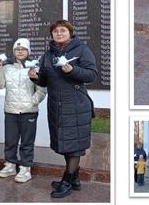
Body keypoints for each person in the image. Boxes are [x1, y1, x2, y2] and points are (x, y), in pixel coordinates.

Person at [28, 20, 98, 198]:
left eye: (63, 30)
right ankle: (74, 179)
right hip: (57, 105)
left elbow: (91, 74)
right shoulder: (48, 55)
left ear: (70, 33)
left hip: (76, 104)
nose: (59, 33)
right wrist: (36, 77)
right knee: (66, 144)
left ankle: (67, 181)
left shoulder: (81, 49)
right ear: (51, 35)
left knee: (74, 146)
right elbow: (45, 80)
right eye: (55, 31)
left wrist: (72, 70)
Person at [0, 37, 46, 183]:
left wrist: (32, 102)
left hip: (29, 111)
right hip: (11, 110)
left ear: (28, 51)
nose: (20, 51)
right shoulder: (7, 67)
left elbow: (42, 90)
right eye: (17, 49)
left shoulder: (35, 67)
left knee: (27, 142)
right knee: (10, 140)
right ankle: (10, 165)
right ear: (14, 51)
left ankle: (25, 168)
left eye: (23, 49)